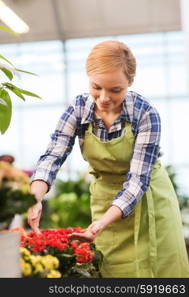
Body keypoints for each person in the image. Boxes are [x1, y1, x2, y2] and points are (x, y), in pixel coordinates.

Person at [28, 40, 189, 278]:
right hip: (105, 199)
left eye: (115, 90)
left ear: (130, 83)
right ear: (88, 77)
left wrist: (101, 224)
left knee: (159, 272)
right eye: (96, 87)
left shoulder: (145, 113)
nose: (103, 98)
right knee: (112, 271)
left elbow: (137, 182)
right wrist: (35, 198)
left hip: (149, 201)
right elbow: (53, 156)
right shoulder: (78, 110)